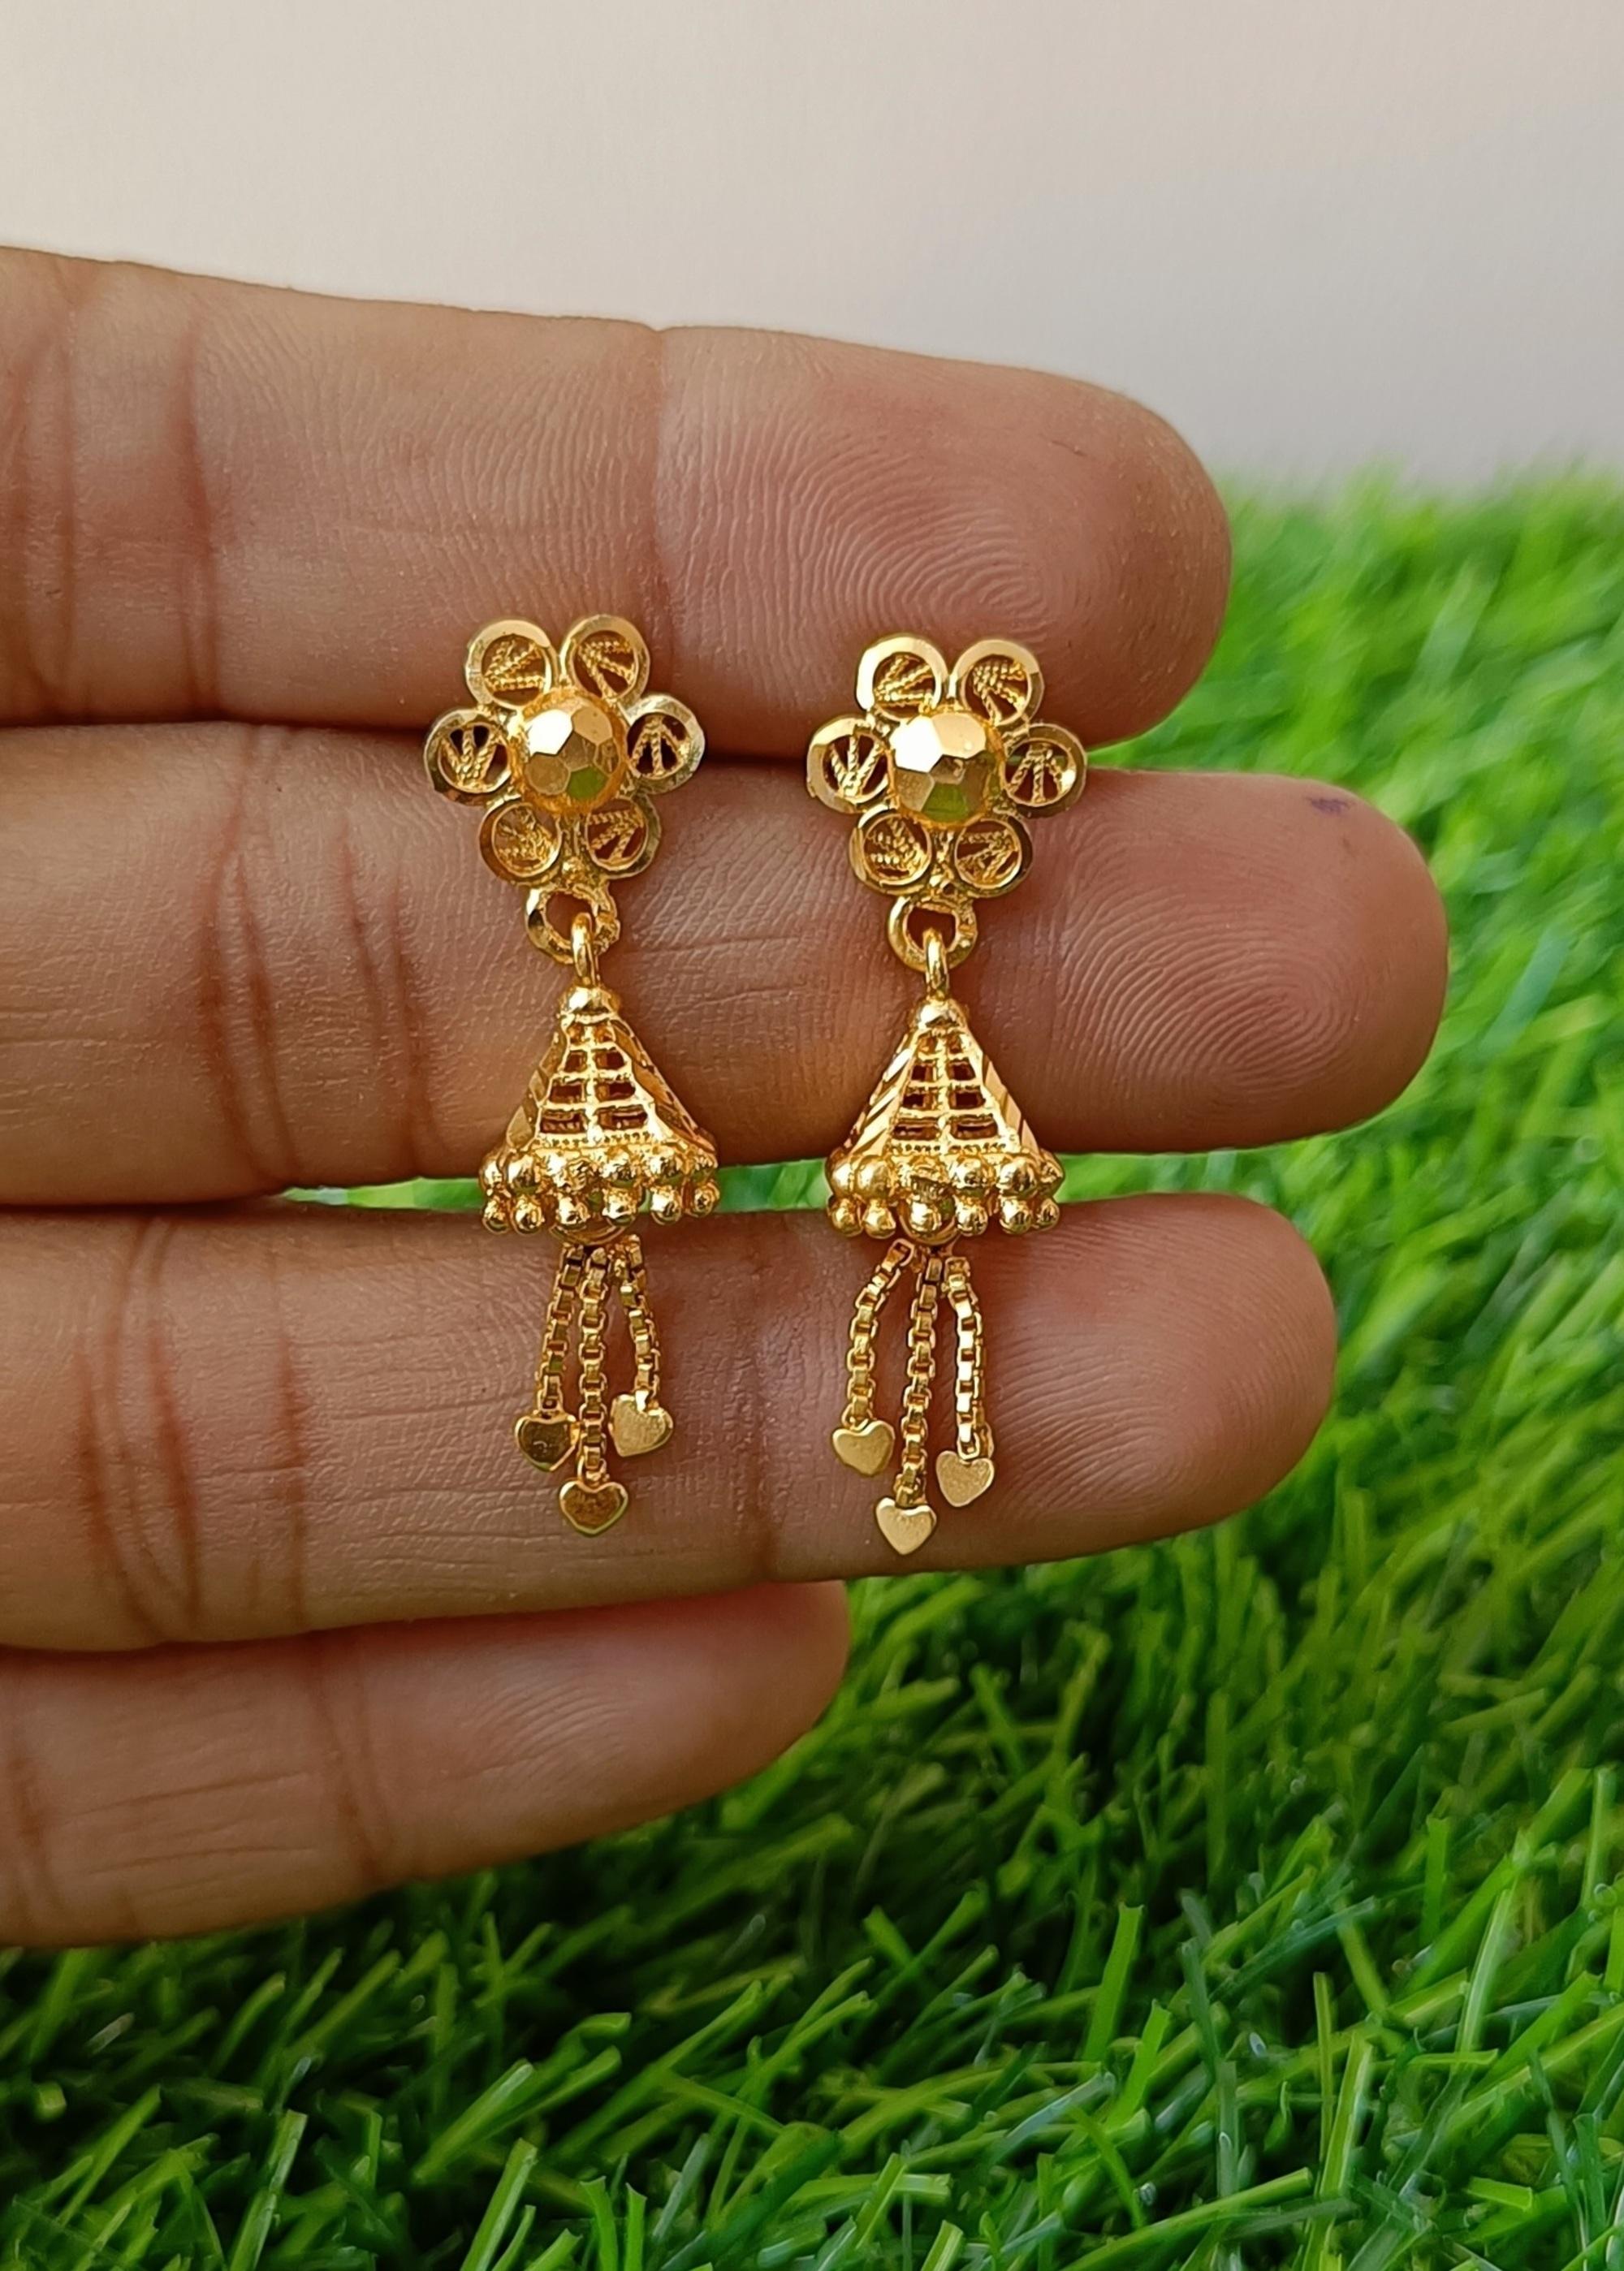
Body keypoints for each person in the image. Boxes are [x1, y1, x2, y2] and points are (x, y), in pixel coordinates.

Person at [0, 251, 1447, 1944]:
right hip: (637, 1041)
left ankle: (860, 1429)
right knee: (644, 1254)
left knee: (834, 1258)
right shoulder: (600, 819)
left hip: (885, 1061)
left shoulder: (908, 830)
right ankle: (662, 1418)